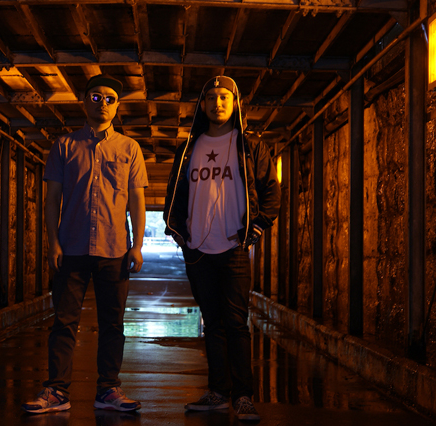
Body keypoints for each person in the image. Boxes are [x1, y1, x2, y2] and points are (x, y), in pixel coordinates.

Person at [23, 74, 147, 414]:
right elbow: (52, 199)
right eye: (95, 97)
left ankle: (108, 389)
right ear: (84, 102)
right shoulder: (64, 146)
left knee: (113, 324)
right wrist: (53, 243)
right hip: (72, 247)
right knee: (64, 321)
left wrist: (137, 245)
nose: (102, 103)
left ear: (117, 106)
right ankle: (57, 391)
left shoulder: (129, 148)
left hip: (114, 248)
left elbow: (136, 200)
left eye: (109, 98)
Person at [163, 75, 280, 422]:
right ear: (203, 105)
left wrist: (256, 227)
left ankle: (243, 396)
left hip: (233, 248)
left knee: (236, 323)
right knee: (212, 323)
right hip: (198, 249)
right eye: (211, 97)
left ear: (235, 103)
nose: (217, 103)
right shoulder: (189, 149)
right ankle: (217, 391)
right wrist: (178, 233)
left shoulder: (249, 146)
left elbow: (271, 191)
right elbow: (175, 192)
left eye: (224, 97)